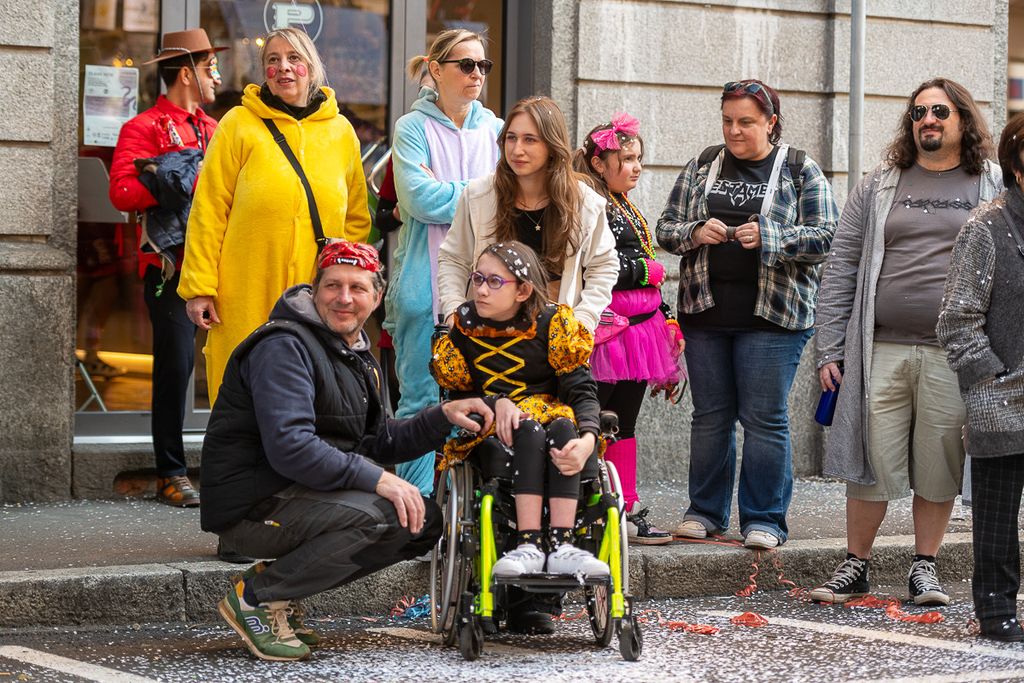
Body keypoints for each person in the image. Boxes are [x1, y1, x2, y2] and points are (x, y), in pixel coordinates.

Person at [202, 240, 494, 662]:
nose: (344, 298)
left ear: (377, 296)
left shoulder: (354, 352)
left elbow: (377, 439)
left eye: (357, 288)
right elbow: (291, 447)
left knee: (422, 521)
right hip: (254, 505)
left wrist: (442, 416)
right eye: (332, 286)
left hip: (297, 494)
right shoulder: (283, 346)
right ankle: (258, 598)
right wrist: (379, 479)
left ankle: (277, 586)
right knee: (385, 515)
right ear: (314, 289)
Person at [810, 77, 1001, 606]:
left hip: (955, 353)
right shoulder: (881, 183)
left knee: (940, 460)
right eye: (918, 113)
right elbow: (842, 265)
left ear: (963, 119)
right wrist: (831, 348)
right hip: (880, 348)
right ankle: (856, 565)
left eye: (939, 111)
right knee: (869, 457)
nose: (927, 120)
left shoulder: (992, 183)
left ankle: (925, 567)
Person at [656, 80, 838, 550]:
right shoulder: (703, 164)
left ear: (771, 123)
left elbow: (828, 236)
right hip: (705, 314)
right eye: (727, 121)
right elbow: (666, 228)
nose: (734, 130)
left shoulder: (799, 168)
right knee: (710, 418)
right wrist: (697, 232)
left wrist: (771, 236)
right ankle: (704, 513)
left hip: (773, 320)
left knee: (764, 419)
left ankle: (765, 519)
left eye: (746, 122)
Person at [179, 27, 371, 405]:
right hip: (245, 288)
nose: (283, 67)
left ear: (311, 67)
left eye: (294, 58)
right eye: (273, 59)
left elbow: (357, 219)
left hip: (315, 292)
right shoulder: (238, 124)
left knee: (310, 392)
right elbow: (209, 209)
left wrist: (344, 284)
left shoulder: (341, 132)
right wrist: (200, 286)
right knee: (241, 391)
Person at [431, 241, 609, 580]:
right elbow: (459, 395)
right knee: (529, 430)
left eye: (494, 281)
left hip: (551, 416)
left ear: (523, 291)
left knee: (563, 427)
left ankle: (562, 545)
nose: (481, 290)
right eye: (478, 278)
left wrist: (588, 439)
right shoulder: (465, 326)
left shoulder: (552, 323)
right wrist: (494, 403)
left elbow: (581, 389)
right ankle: (529, 545)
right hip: (491, 426)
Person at [108, 28, 226, 507]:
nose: (217, 76)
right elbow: (121, 193)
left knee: (233, 364)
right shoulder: (143, 127)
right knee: (176, 368)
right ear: (187, 73)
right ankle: (170, 473)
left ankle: (231, 466)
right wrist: (169, 180)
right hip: (169, 267)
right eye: (210, 67)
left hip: (217, 263)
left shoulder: (217, 128)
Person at [383, 29, 502, 497]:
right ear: (436, 70)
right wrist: (484, 190)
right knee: (419, 400)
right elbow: (418, 200)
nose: (477, 74)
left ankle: (468, 507)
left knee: (482, 399)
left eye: (482, 66)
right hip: (423, 289)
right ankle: (413, 506)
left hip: (488, 292)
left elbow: (511, 197)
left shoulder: (496, 130)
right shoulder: (412, 128)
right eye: (466, 65)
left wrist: (449, 189)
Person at [572, 113, 684, 545]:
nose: (637, 167)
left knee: (625, 423)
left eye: (639, 159)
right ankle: (585, 506)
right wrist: (644, 270)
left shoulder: (623, 202)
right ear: (599, 163)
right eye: (628, 159)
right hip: (606, 334)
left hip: (640, 333)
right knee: (591, 420)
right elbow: (592, 264)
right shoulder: (589, 202)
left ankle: (625, 507)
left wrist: (667, 317)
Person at [936, 114, 1024, 641]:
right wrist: (990, 379)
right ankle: (996, 612)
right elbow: (956, 319)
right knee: (995, 519)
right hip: (1002, 396)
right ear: (1017, 167)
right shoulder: (986, 228)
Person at [438, 95, 618, 335]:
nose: (517, 149)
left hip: (556, 336)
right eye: (511, 138)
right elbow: (453, 259)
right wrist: (454, 310)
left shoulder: (584, 202)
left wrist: (583, 320)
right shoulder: (478, 195)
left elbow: (603, 266)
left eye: (529, 139)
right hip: (488, 334)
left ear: (552, 146)